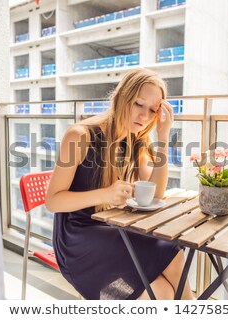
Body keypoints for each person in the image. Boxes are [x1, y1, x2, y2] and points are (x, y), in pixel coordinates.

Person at [45, 68, 193, 300]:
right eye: (138, 104)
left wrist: (163, 138)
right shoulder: (80, 135)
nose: (144, 116)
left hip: (111, 228)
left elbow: (157, 193)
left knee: (171, 259)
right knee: (160, 288)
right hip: (78, 237)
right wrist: (105, 194)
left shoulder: (135, 139)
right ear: (122, 97)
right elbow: (53, 201)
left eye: (153, 110)